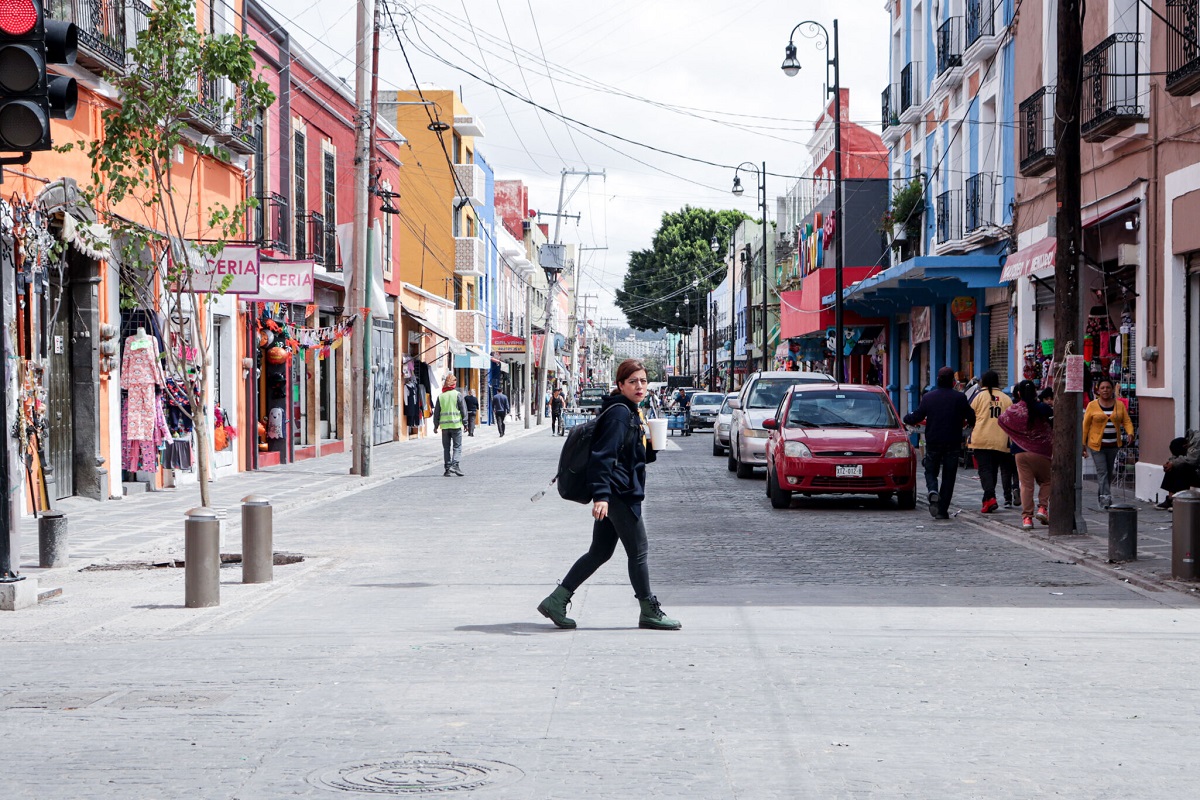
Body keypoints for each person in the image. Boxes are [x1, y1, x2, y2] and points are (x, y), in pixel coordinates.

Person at [537, 359, 681, 631]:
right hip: (618, 494)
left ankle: (556, 600)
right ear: (620, 385)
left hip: (617, 492)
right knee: (639, 551)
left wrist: (650, 446)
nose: (639, 386)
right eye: (633, 382)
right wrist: (602, 496)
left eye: (643, 381)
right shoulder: (619, 414)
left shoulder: (631, 411)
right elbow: (604, 457)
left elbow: (629, 456)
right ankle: (649, 610)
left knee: (600, 552)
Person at [903, 366, 977, 519]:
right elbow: (972, 417)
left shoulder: (929, 397)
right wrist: (967, 426)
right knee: (949, 476)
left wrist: (906, 419)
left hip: (934, 441)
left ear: (938, 380)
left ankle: (932, 490)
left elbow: (917, 416)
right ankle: (942, 511)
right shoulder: (959, 398)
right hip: (953, 442)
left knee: (931, 470)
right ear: (952, 381)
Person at [999, 380, 1054, 530]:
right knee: (1046, 481)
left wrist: (1018, 435)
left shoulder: (1013, 410)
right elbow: (1054, 423)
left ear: (1018, 393)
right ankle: (1043, 508)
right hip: (1042, 452)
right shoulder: (1044, 408)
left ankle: (1027, 519)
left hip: (1021, 452)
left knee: (1026, 486)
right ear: (1035, 392)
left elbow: (1002, 420)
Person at [1082, 377, 1134, 508]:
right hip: (1096, 445)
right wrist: (1083, 444)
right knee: (1103, 472)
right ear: (1098, 390)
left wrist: (1130, 432)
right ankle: (1106, 499)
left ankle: (1102, 496)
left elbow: (1126, 421)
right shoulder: (1092, 405)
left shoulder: (1119, 405)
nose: (1105, 390)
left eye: (1108, 388)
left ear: (1112, 390)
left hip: (1113, 444)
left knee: (1109, 472)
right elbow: (1085, 425)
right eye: (1102, 388)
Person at [969, 370, 1013, 514]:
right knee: (993, 470)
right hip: (1001, 440)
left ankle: (991, 497)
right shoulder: (1006, 399)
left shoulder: (979, 397)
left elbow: (970, 416)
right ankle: (987, 501)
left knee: (985, 470)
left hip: (982, 439)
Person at [432, 374, 468, 477]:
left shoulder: (441, 396)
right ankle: (455, 465)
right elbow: (463, 410)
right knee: (457, 447)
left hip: (444, 427)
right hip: (456, 425)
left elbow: (437, 413)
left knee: (446, 448)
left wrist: (435, 426)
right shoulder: (457, 395)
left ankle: (447, 469)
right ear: (454, 383)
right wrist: (465, 423)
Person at [1158, 429, 1200, 509]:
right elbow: (1176, 458)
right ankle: (1170, 500)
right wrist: (1170, 463)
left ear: (1185, 446)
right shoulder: (1187, 441)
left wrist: (1173, 463)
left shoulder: (1197, 441)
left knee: (1183, 467)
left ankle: (1179, 501)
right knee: (1173, 466)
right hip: (1195, 470)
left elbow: (1192, 460)